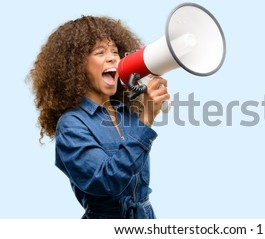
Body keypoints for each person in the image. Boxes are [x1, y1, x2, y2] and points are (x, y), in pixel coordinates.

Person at [28, 15, 169, 219]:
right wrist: (146, 119)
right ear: (77, 65)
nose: (112, 58)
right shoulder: (71, 125)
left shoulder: (126, 113)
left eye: (115, 51)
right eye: (100, 52)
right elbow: (107, 180)